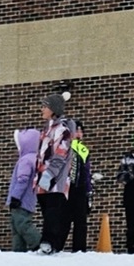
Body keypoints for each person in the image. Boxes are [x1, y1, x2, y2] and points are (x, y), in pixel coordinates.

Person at [35, 94, 75, 255]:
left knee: (53, 212)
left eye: (45, 106)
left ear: (53, 109)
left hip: (55, 181)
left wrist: (49, 174)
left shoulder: (62, 130)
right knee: (46, 211)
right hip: (42, 179)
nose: (42, 109)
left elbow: (60, 154)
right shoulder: (47, 129)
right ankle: (51, 244)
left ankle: (49, 242)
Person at [5, 128, 41, 252]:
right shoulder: (35, 159)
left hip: (21, 200)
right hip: (28, 200)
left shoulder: (26, 160)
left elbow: (23, 180)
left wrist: (15, 197)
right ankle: (18, 250)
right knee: (16, 227)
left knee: (22, 224)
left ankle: (38, 243)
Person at [67, 120, 93, 252]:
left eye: (81, 131)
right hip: (67, 188)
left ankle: (79, 249)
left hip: (80, 189)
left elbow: (87, 172)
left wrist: (89, 191)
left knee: (81, 221)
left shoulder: (83, 149)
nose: (79, 133)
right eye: (77, 130)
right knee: (64, 220)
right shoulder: (66, 146)